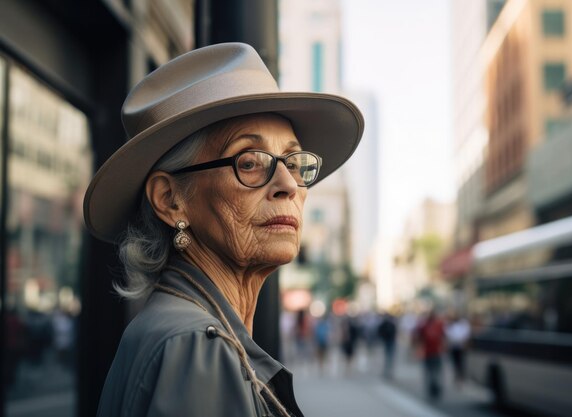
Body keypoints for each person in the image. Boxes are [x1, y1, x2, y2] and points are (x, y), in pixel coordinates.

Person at [84, 43, 364, 417]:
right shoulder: (197, 347)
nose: (288, 184)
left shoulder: (179, 329)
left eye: (294, 162)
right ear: (170, 199)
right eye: (249, 162)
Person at [413, 309, 446, 401]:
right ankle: (431, 388)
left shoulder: (439, 325)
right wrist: (418, 349)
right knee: (429, 372)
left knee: (436, 372)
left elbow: (443, 337)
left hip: (436, 353)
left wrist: (443, 347)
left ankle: (435, 387)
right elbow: (419, 338)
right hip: (428, 353)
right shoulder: (424, 326)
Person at [445, 313, 471, 387]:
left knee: (461, 363)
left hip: (461, 347)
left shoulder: (463, 324)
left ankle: (461, 377)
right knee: (455, 363)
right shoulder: (451, 325)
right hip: (454, 347)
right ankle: (457, 377)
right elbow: (448, 334)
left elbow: (466, 334)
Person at [377, 312, 398, 379]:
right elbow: (380, 331)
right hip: (387, 342)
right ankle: (386, 371)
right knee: (388, 357)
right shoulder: (385, 324)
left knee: (390, 357)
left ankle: (389, 371)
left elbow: (395, 332)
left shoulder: (391, 324)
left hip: (391, 342)